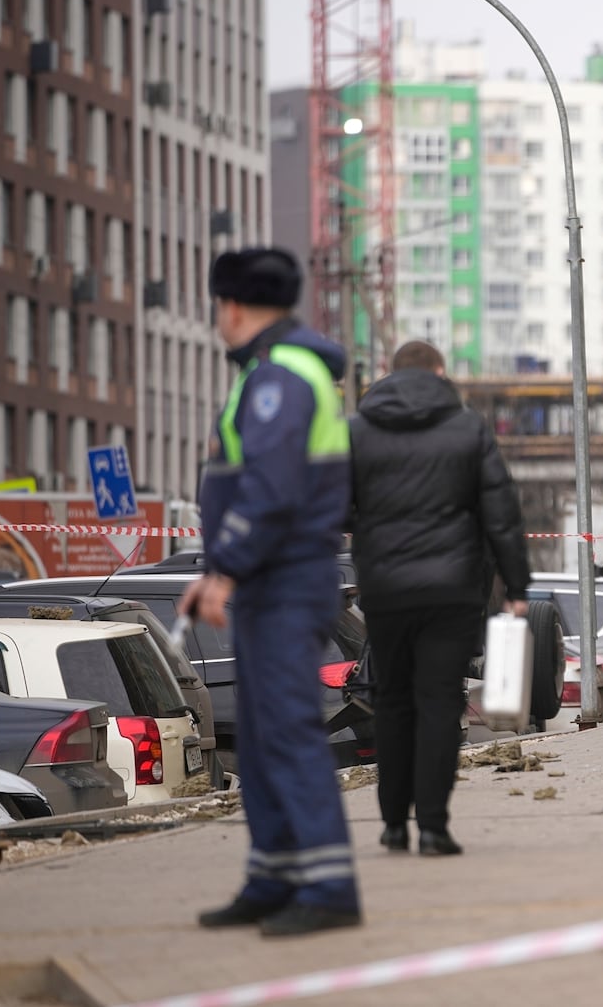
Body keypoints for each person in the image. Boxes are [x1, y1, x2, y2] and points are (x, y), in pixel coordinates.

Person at [182, 248, 361, 936]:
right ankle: (274, 875)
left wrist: (224, 568)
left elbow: (271, 486)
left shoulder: (280, 377)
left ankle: (328, 884)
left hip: (285, 576)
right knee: (259, 738)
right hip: (270, 575)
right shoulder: (274, 370)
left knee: (286, 732)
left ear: (230, 305)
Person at [348, 340, 533, 856]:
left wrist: (372, 524)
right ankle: (432, 827)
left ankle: (390, 823)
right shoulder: (469, 428)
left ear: (389, 372)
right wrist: (517, 589)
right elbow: (502, 513)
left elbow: (335, 508)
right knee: (437, 702)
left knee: (392, 701)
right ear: (439, 372)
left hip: (385, 590)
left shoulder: (358, 431)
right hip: (452, 591)